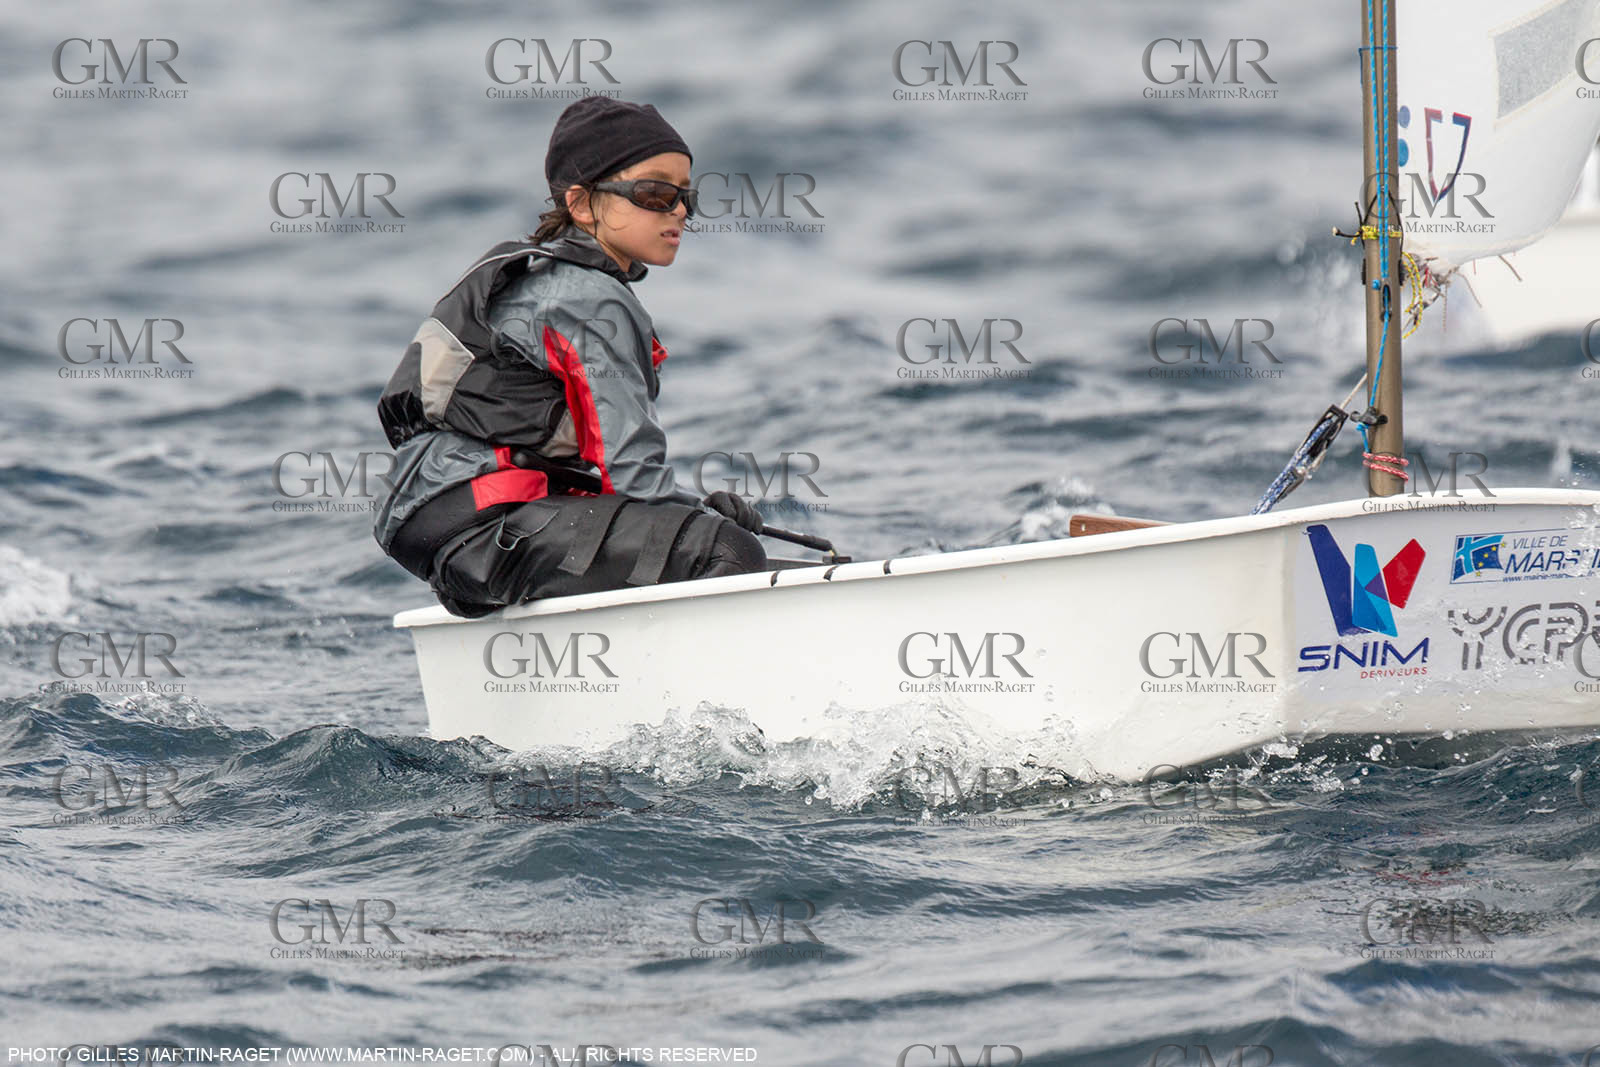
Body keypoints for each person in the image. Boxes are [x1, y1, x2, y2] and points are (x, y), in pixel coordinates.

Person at [373, 97, 767, 618]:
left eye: (686, 197)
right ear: (582, 205)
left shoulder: (544, 279)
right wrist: (703, 525)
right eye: (655, 192)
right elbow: (626, 471)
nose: (678, 210)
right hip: (487, 523)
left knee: (688, 543)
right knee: (727, 553)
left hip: (442, 525)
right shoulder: (591, 298)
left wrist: (686, 516)